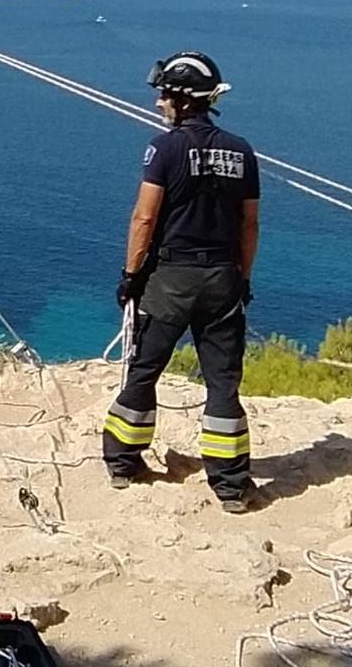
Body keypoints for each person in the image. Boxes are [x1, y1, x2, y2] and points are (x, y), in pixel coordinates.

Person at [103, 51, 261, 512]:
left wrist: (131, 275)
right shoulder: (242, 151)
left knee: (144, 370)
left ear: (181, 98)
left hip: (170, 279)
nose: (157, 104)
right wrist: (242, 278)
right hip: (223, 279)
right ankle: (230, 485)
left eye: (163, 95)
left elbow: (145, 217)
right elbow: (249, 225)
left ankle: (123, 463)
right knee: (223, 382)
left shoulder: (164, 149)